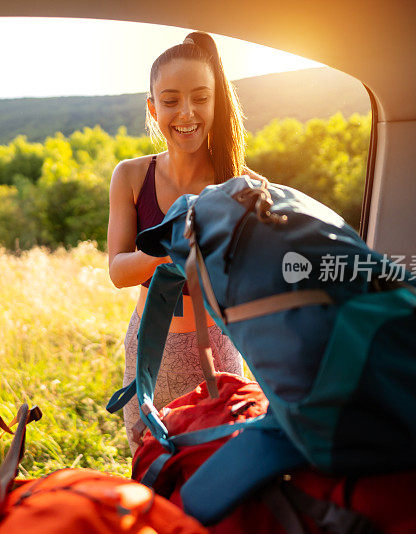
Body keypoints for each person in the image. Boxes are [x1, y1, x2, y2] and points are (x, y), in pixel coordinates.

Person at [107, 31, 249, 454]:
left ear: (216, 103)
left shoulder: (238, 185)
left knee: (220, 470)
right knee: (151, 469)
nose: (185, 113)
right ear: (153, 108)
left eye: (200, 98)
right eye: (170, 100)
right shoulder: (131, 176)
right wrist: (173, 240)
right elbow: (117, 270)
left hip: (218, 349)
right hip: (150, 350)